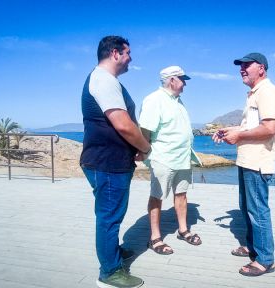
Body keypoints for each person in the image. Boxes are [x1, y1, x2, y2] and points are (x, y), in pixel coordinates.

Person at [80, 35, 149, 288]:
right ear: (115, 53)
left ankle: (113, 254)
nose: (131, 57)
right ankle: (109, 273)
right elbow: (123, 124)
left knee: (112, 215)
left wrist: (136, 147)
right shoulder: (103, 80)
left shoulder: (108, 81)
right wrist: (146, 147)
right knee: (109, 217)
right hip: (106, 163)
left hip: (111, 162)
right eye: (128, 52)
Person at [212, 52, 275, 277]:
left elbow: (268, 129)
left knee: (258, 211)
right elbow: (250, 126)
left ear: (261, 68)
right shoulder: (253, 94)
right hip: (247, 160)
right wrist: (230, 131)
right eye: (240, 66)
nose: (241, 69)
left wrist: (239, 137)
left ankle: (265, 260)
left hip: (258, 162)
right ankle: (254, 248)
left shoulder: (268, 92)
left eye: (246, 65)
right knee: (247, 208)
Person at [138, 66, 202, 255]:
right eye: (183, 79)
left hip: (182, 157)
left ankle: (183, 230)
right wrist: (144, 152)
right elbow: (145, 130)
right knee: (157, 197)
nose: (185, 84)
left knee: (181, 194)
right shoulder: (153, 100)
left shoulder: (178, 101)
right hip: (163, 158)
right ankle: (155, 238)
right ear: (172, 80)